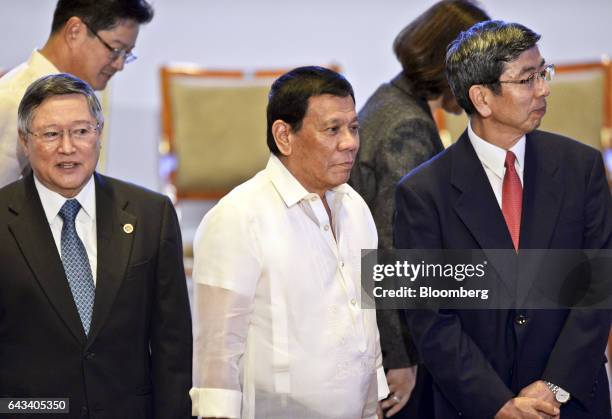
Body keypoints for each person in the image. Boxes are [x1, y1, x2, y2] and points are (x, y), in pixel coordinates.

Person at [394, 20, 612, 418]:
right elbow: (430, 320)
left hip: (570, 399)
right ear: (481, 98)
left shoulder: (581, 167)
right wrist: (497, 403)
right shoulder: (422, 193)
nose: (544, 89)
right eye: (527, 79)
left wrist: (554, 386)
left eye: (544, 73)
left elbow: (598, 287)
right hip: (472, 405)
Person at [189, 66, 389, 419]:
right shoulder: (238, 218)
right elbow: (217, 354)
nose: (351, 143)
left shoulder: (355, 207)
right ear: (284, 135)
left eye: (353, 128)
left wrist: (373, 404)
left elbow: (366, 320)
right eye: (333, 129)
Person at [0, 73, 193, 419]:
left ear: (98, 135)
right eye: (50, 134)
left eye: (81, 131)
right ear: (25, 141)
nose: (68, 147)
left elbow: (172, 345)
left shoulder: (151, 214)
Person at [349, 1, 490, 416]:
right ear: (446, 63)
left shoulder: (386, 100)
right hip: (399, 348)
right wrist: (399, 358)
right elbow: (392, 254)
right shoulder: (405, 126)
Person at [0, 0, 154, 188]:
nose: (119, 65)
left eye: (126, 54)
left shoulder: (77, 100)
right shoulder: (12, 101)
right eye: (116, 50)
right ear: (75, 31)